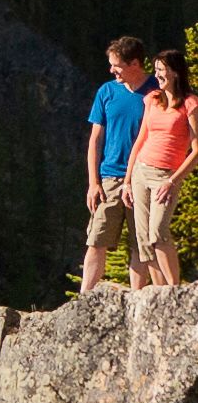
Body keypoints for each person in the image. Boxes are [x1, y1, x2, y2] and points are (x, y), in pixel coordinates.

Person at [85, 35, 151, 290]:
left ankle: (137, 300)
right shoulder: (107, 91)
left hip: (143, 177)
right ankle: (85, 299)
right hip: (110, 178)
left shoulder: (156, 92)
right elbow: (95, 140)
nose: (112, 70)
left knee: (140, 243)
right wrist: (94, 182)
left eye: (117, 65)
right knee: (96, 239)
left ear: (135, 64)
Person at [134, 45, 195, 289]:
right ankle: (159, 293)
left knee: (158, 232)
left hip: (166, 175)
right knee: (143, 239)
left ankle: (174, 289)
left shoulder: (189, 104)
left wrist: (173, 181)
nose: (157, 74)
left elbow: (197, 149)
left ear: (176, 73)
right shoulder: (152, 99)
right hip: (141, 170)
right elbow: (141, 138)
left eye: (162, 70)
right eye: (156, 69)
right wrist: (128, 179)